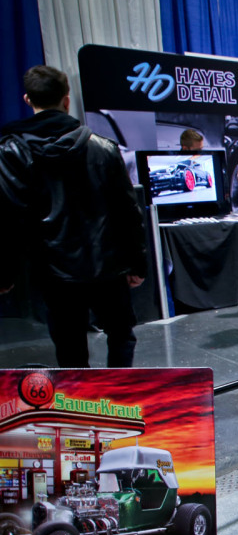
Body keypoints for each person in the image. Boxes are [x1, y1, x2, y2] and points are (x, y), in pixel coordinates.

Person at [0, 65, 146, 367]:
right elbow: (127, 210)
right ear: (67, 100)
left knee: (69, 344)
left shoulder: (12, 149)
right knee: (121, 334)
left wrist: (5, 272)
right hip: (108, 264)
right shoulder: (104, 148)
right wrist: (137, 262)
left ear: (28, 99)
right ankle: (121, 398)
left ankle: (82, 409)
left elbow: (9, 217)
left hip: (54, 269)